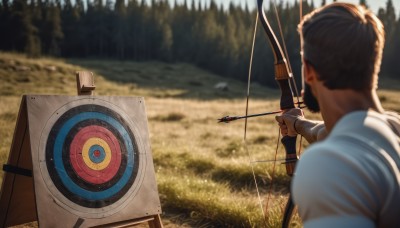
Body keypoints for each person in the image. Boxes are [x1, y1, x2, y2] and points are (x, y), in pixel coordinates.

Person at [275, 2, 400, 228]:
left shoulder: (330, 165)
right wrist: (297, 124)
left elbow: (340, 144)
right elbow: (330, 132)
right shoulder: (393, 126)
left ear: (308, 70)